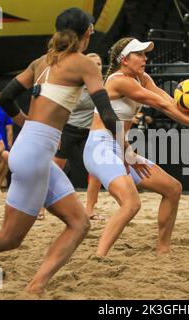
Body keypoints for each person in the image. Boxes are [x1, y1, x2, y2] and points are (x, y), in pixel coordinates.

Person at [0, 7, 121, 295]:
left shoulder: (42, 61)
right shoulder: (85, 63)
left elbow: (5, 97)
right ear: (87, 32)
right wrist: (127, 151)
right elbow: (108, 114)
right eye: (91, 28)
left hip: (30, 149)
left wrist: (25, 122)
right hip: (35, 156)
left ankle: (35, 287)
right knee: (8, 237)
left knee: (79, 223)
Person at [83, 37, 189, 257]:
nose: (145, 58)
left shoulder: (142, 78)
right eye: (140, 54)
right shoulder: (118, 80)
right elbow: (161, 104)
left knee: (173, 189)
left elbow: (172, 104)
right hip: (100, 147)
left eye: (145, 54)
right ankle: (99, 256)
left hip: (121, 147)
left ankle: (163, 250)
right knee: (131, 204)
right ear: (124, 60)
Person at [52, 53, 105, 221]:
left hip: (89, 132)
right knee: (54, 169)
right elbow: (58, 109)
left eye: (99, 63)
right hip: (67, 129)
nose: (97, 66)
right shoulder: (75, 85)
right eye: (93, 63)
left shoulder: (103, 86)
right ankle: (40, 208)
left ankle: (90, 209)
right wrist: (56, 131)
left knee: (96, 171)